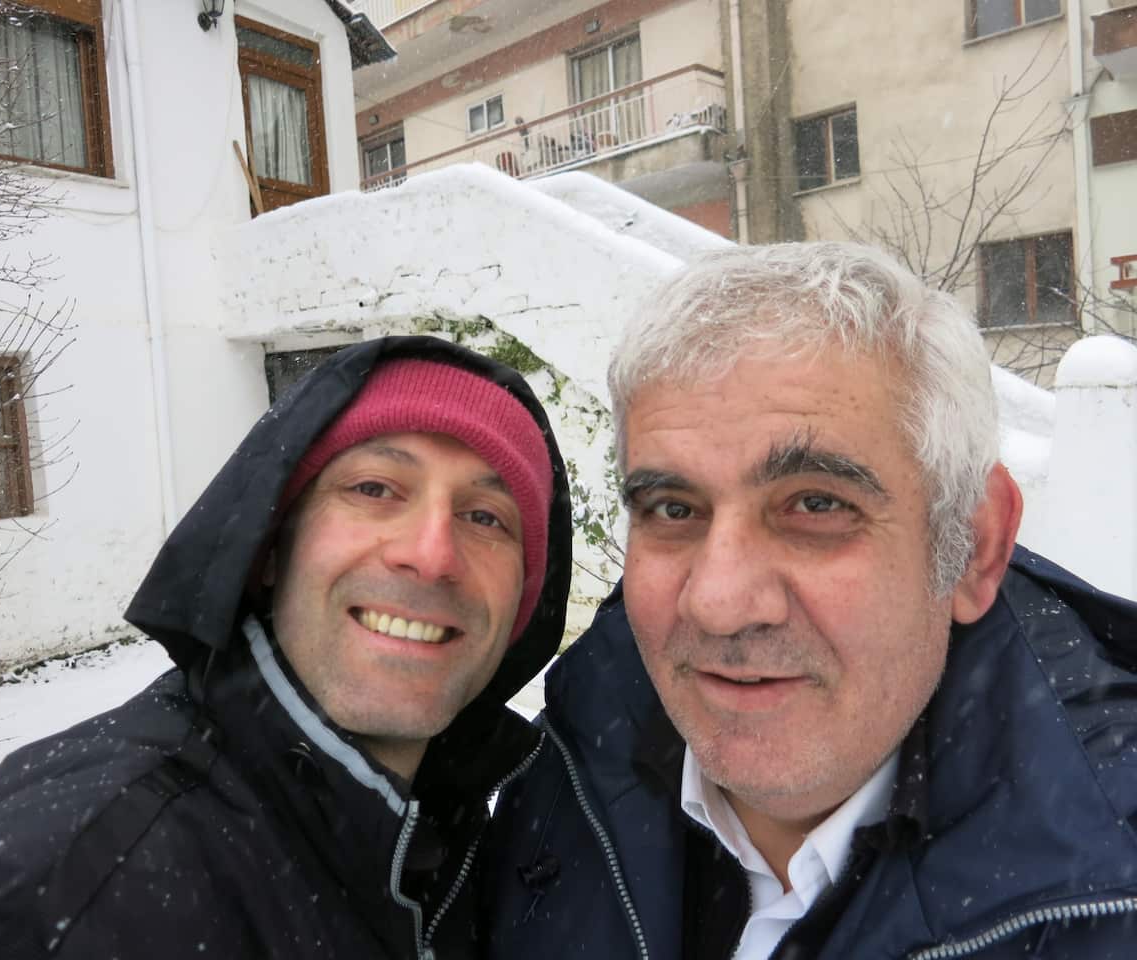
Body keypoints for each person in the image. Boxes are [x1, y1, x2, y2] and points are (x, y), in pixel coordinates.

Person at [480, 243, 1137, 959]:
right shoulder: (562, 776)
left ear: (973, 549)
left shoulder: (1108, 894)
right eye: (673, 508)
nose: (720, 603)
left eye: (816, 504)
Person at [0, 336, 572, 959]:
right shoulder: (102, 863)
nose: (432, 554)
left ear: (518, 608)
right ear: (269, 550)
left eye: (486, 516)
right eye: (376, 487)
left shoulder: (469, 844)